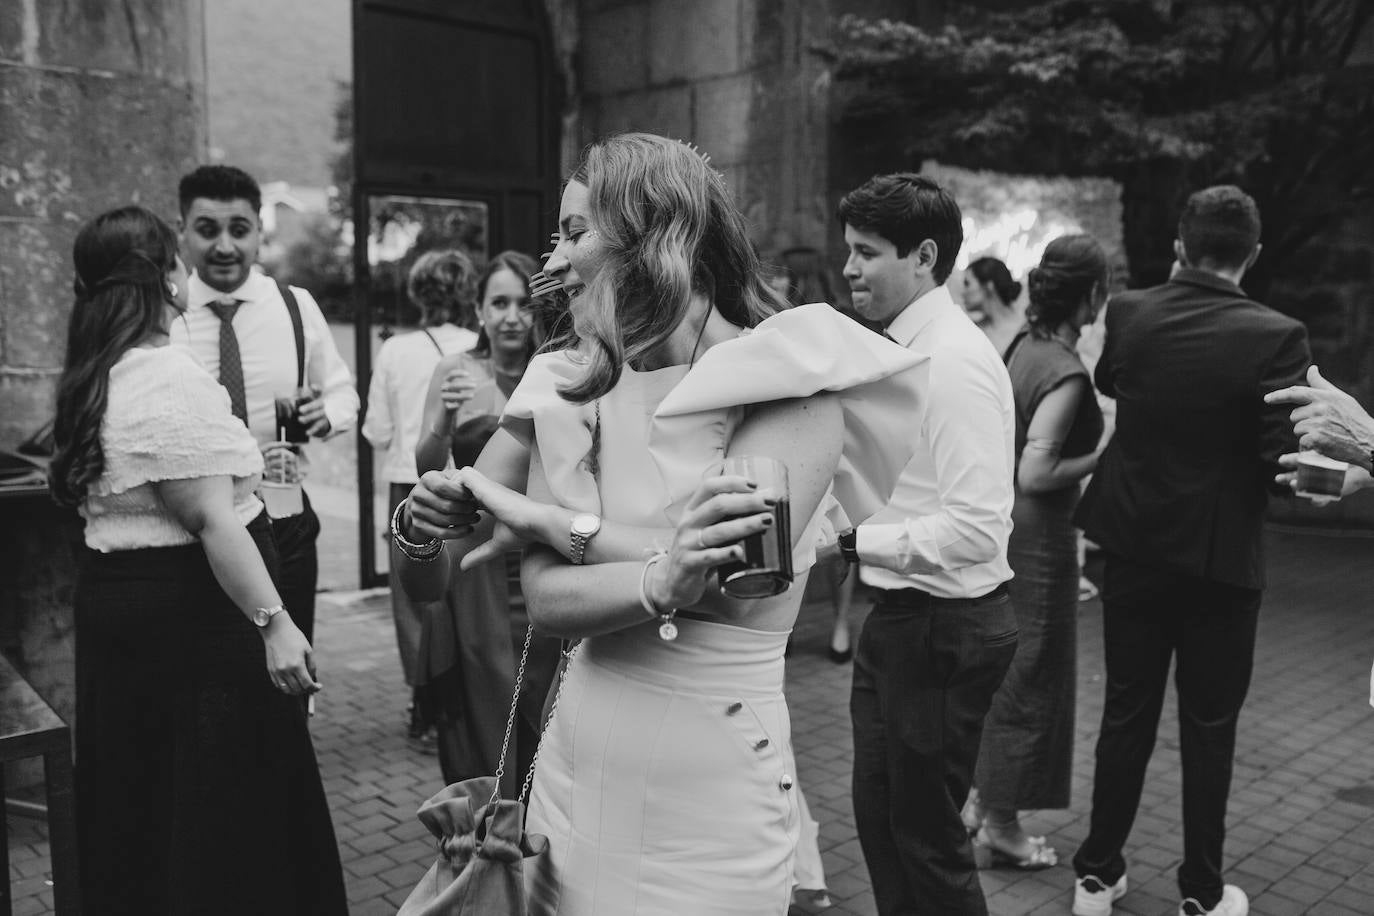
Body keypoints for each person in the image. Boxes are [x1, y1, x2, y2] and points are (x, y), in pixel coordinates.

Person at [394, 132, 926, 914]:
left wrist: (551, 522)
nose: (553, 260)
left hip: (710, 790)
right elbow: (535, 598)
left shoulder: (794, 384)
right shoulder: (567, 383)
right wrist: (416, 527)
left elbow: (737, 582)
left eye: (576, 233)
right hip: (576, 761)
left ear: (653, 237)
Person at [50, 205, 347, 915]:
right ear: (164, 278)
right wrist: (274, 624)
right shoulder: (163, 376)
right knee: (221, 814)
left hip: (127, 614)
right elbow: (212, 519)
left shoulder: (96, 372)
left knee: (146, 802)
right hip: (198, 627)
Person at [1070, 186, 1310, 916]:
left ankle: (1095, 877)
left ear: (1180, 244)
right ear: (1254, 255)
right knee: (1210, 730)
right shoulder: (1278, 334)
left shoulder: (1132, 312)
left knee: (1126, 714)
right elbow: (1283, 465)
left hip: (1134, 548)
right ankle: (1202, 891)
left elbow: (1112, 381)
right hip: (1220, 564)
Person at [835, 173, 1018, 916]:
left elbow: (979, 526)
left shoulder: (954, 361)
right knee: (884, 826)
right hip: (905, 621)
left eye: (866, 252)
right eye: (848, 249)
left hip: (945, 630)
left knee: (928, 845)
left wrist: (854, 542)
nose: (849, 268)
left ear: (924, 257)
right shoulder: (906, 346)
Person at [170, 164, 359, 645]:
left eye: (239, 230)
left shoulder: (295, 306)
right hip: (194, 527)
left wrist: (329, 414)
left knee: (292, 664)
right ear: (183, 232)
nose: (225, 246)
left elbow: (342, 391)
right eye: (208, 230)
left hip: (283, 515)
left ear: (258, 231)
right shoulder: (166, 317)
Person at [968, 234, 1110, 870]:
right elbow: (1038, 471)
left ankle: (983, 800)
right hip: (1038, 535)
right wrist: (1108, 454)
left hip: (1010, 526)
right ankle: (1001, 823)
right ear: (1094, 296)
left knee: (1011, 669)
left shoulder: (1023, 345)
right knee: (1031, 673)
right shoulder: (1066, 371)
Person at [409, 249, 557, 788]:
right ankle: (488, 802)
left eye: (522, 302)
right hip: (474, 549)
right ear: (479, 310)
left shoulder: (558, 369)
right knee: (485, 679)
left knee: (540, 679)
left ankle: (538, 798)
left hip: (542, 542)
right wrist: (446, 419)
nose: (512, 315)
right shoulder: (456, 370)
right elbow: (426, 466)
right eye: (499, 302)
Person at [362, 249, 479, 748]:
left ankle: (423, 702)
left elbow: (376, 429)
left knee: (414, 599)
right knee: (464, 591)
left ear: (417, 293)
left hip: (408, 483)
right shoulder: (482, 345)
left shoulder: (395, 350)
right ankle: (461, 692)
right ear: (468, 291)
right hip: (474, 480)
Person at [961, 255, 1025, 357]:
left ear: (989, 286)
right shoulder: (972, 331)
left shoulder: (1024, 328)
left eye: (967, 284)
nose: (963, 292)